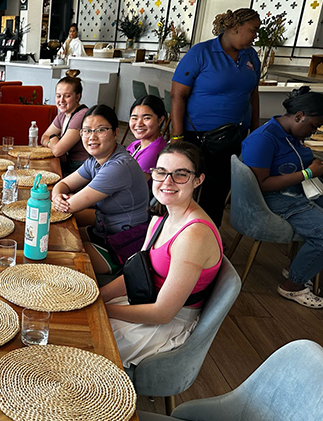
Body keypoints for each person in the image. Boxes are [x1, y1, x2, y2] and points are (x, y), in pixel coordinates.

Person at [100, 142, 223, 368]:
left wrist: (101, 309)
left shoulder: (194, 236)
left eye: (181, 175)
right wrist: (97, 297)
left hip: (165, 324)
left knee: (84, 339)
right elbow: (138, 274)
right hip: (145, 299)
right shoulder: (161, 216)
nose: (167, 182)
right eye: (161, 172)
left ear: (198, 180)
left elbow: (163, 313)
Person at [170, 8, 261, 227]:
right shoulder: (201, 53)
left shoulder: (251, 56)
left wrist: (256, 132)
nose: (255, 36)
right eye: (253, 30)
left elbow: (253, 94)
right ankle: (177, 230)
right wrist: (177, 137)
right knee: (188, 187)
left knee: (218, 189)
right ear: (236, 27)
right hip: (198, 136)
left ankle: (209, 233)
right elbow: (177, 95)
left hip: (233, 136)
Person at [242, 86, 323, 309]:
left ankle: (302, 265)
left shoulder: (288, 133)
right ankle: (292, 285)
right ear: (299, 116)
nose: (313, 132)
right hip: (275, 198)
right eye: (313, 127)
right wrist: (309, 172)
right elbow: (261, 184)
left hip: (295, 190)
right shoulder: (264, 139)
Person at [52, 105, 150, 274]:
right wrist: (56, 195)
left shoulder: (118, 167)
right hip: (104, 232)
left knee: (60, 257)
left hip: (125, 246)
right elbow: (63, 184)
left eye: (100, 130)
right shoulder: (96, 160)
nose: (92, 137)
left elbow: (71, 205)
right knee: (56, 237)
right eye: (86, 131)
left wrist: (62, 199)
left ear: (115, 133)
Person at [40, 69, 89, 177]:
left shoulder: (81, 116)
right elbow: (43, 137)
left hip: (82, 168)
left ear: (77, 97)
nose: (61, 100)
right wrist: (53, 144)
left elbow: (57, 151)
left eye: (67, 96)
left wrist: (54, 139)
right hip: (69, 164)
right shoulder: (63, 114)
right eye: (58, 96)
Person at [126, 95, 168, 181]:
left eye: (146, 118)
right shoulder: (137, 144)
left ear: (160, 120)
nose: (139, 123)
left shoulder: (154, 152)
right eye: (134, 118)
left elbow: (132, 186)